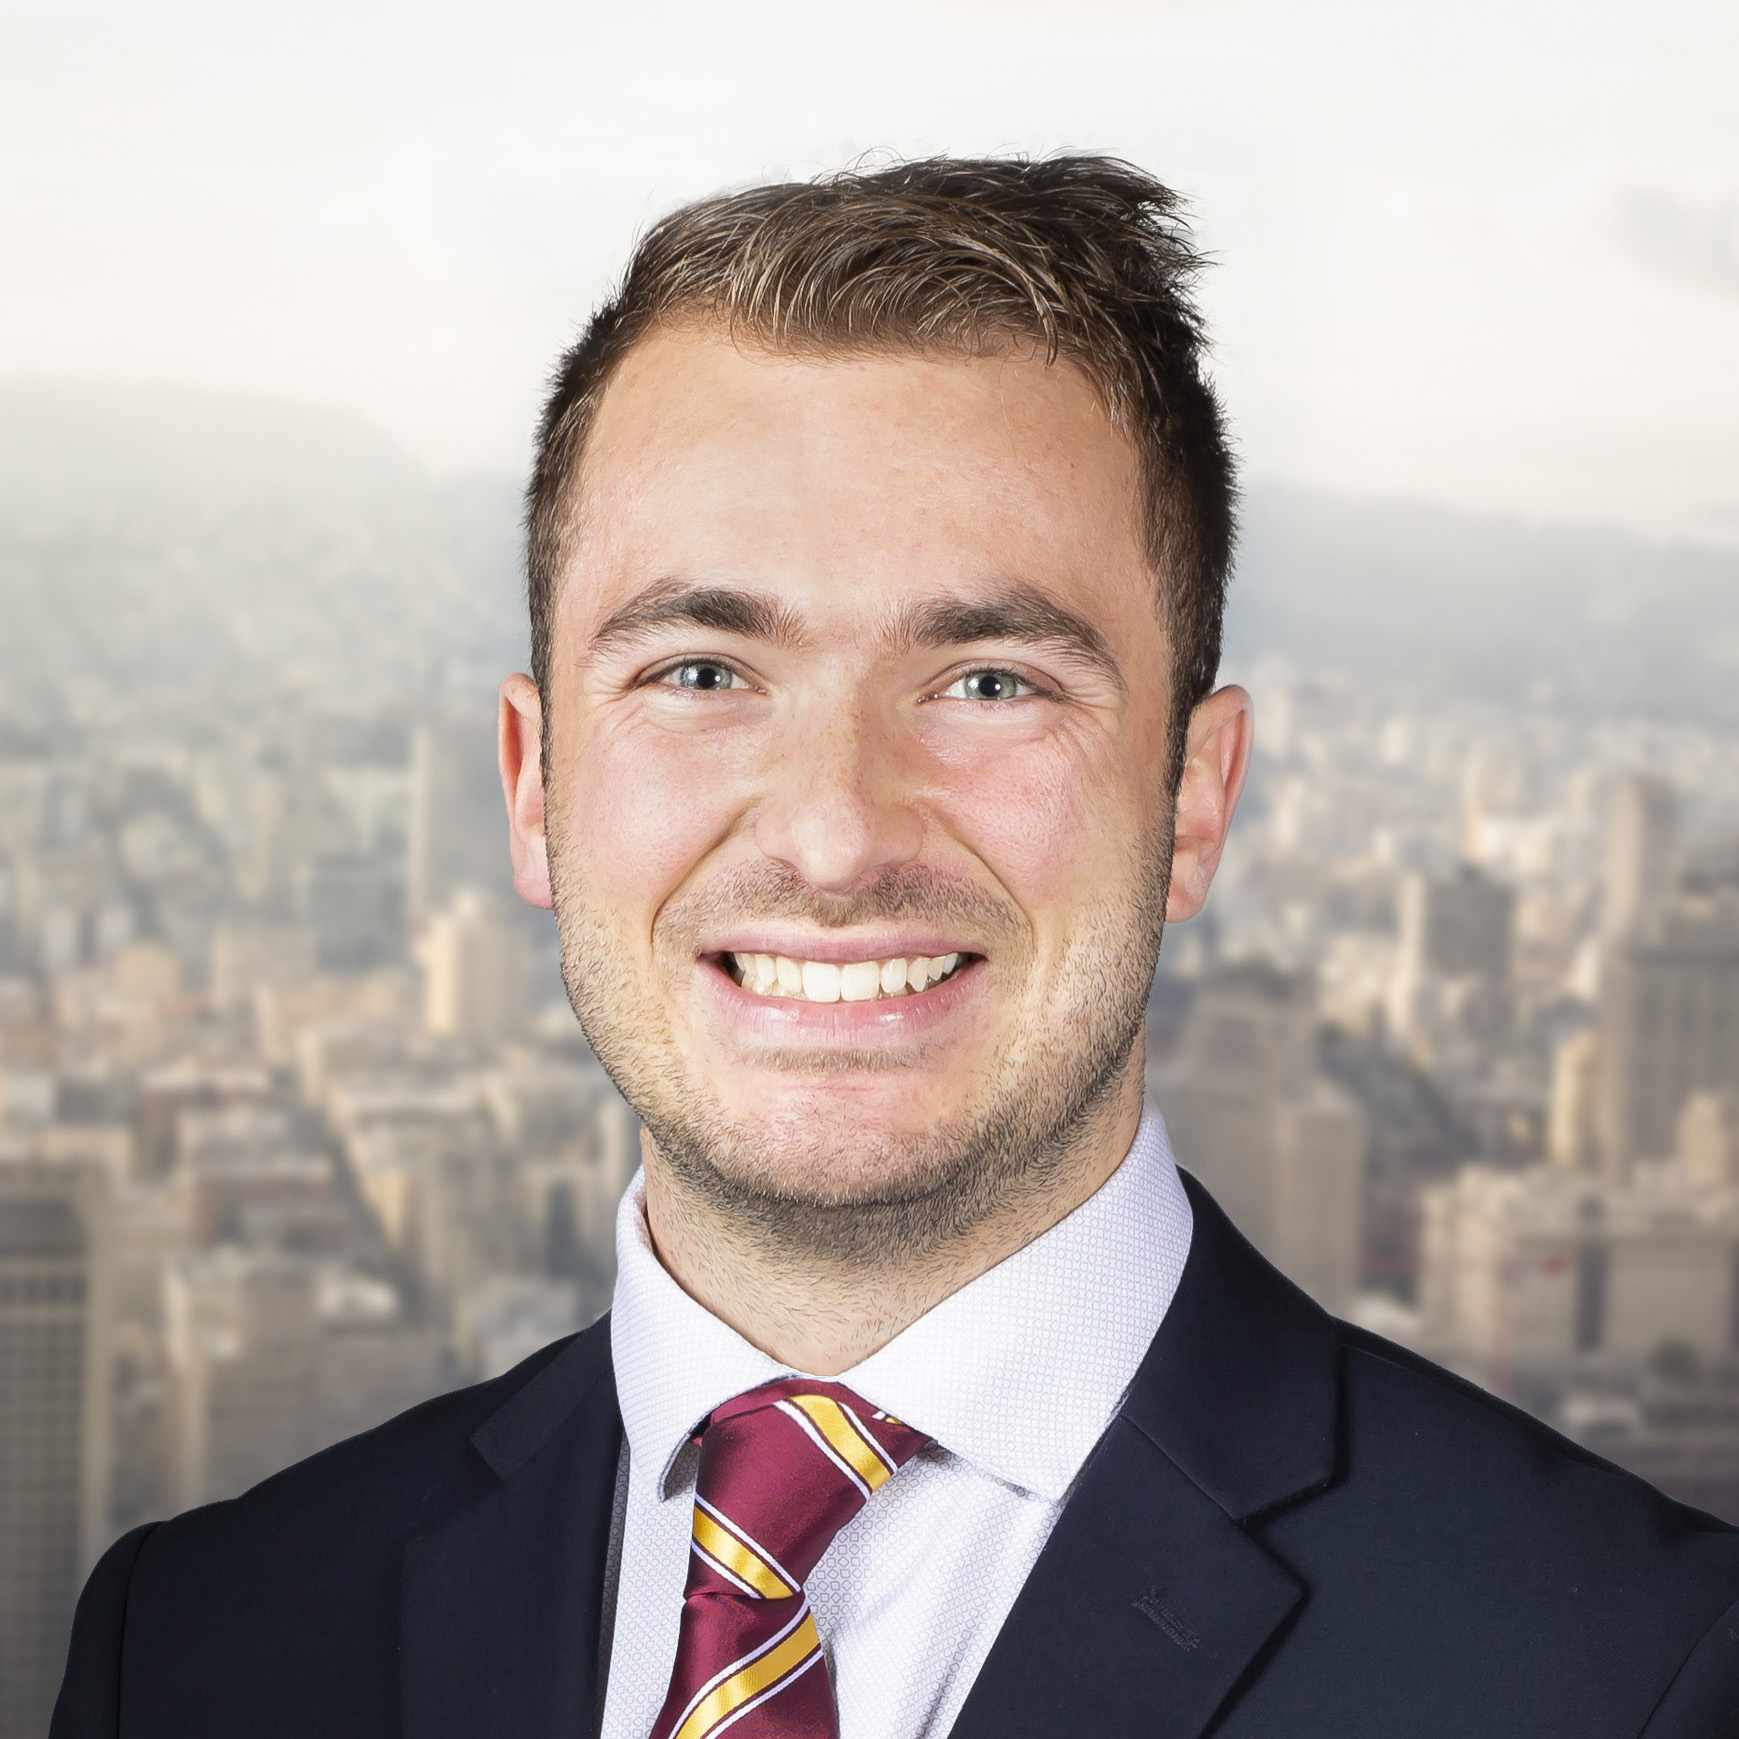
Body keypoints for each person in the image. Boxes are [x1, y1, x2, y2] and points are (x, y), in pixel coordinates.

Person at [51, 152, 1739, 1739]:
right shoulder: (203, 1644)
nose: (838, 832)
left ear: (1197, 799)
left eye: (992, 682)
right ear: (534, 785)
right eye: (702, 673)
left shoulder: (1629, 1675)